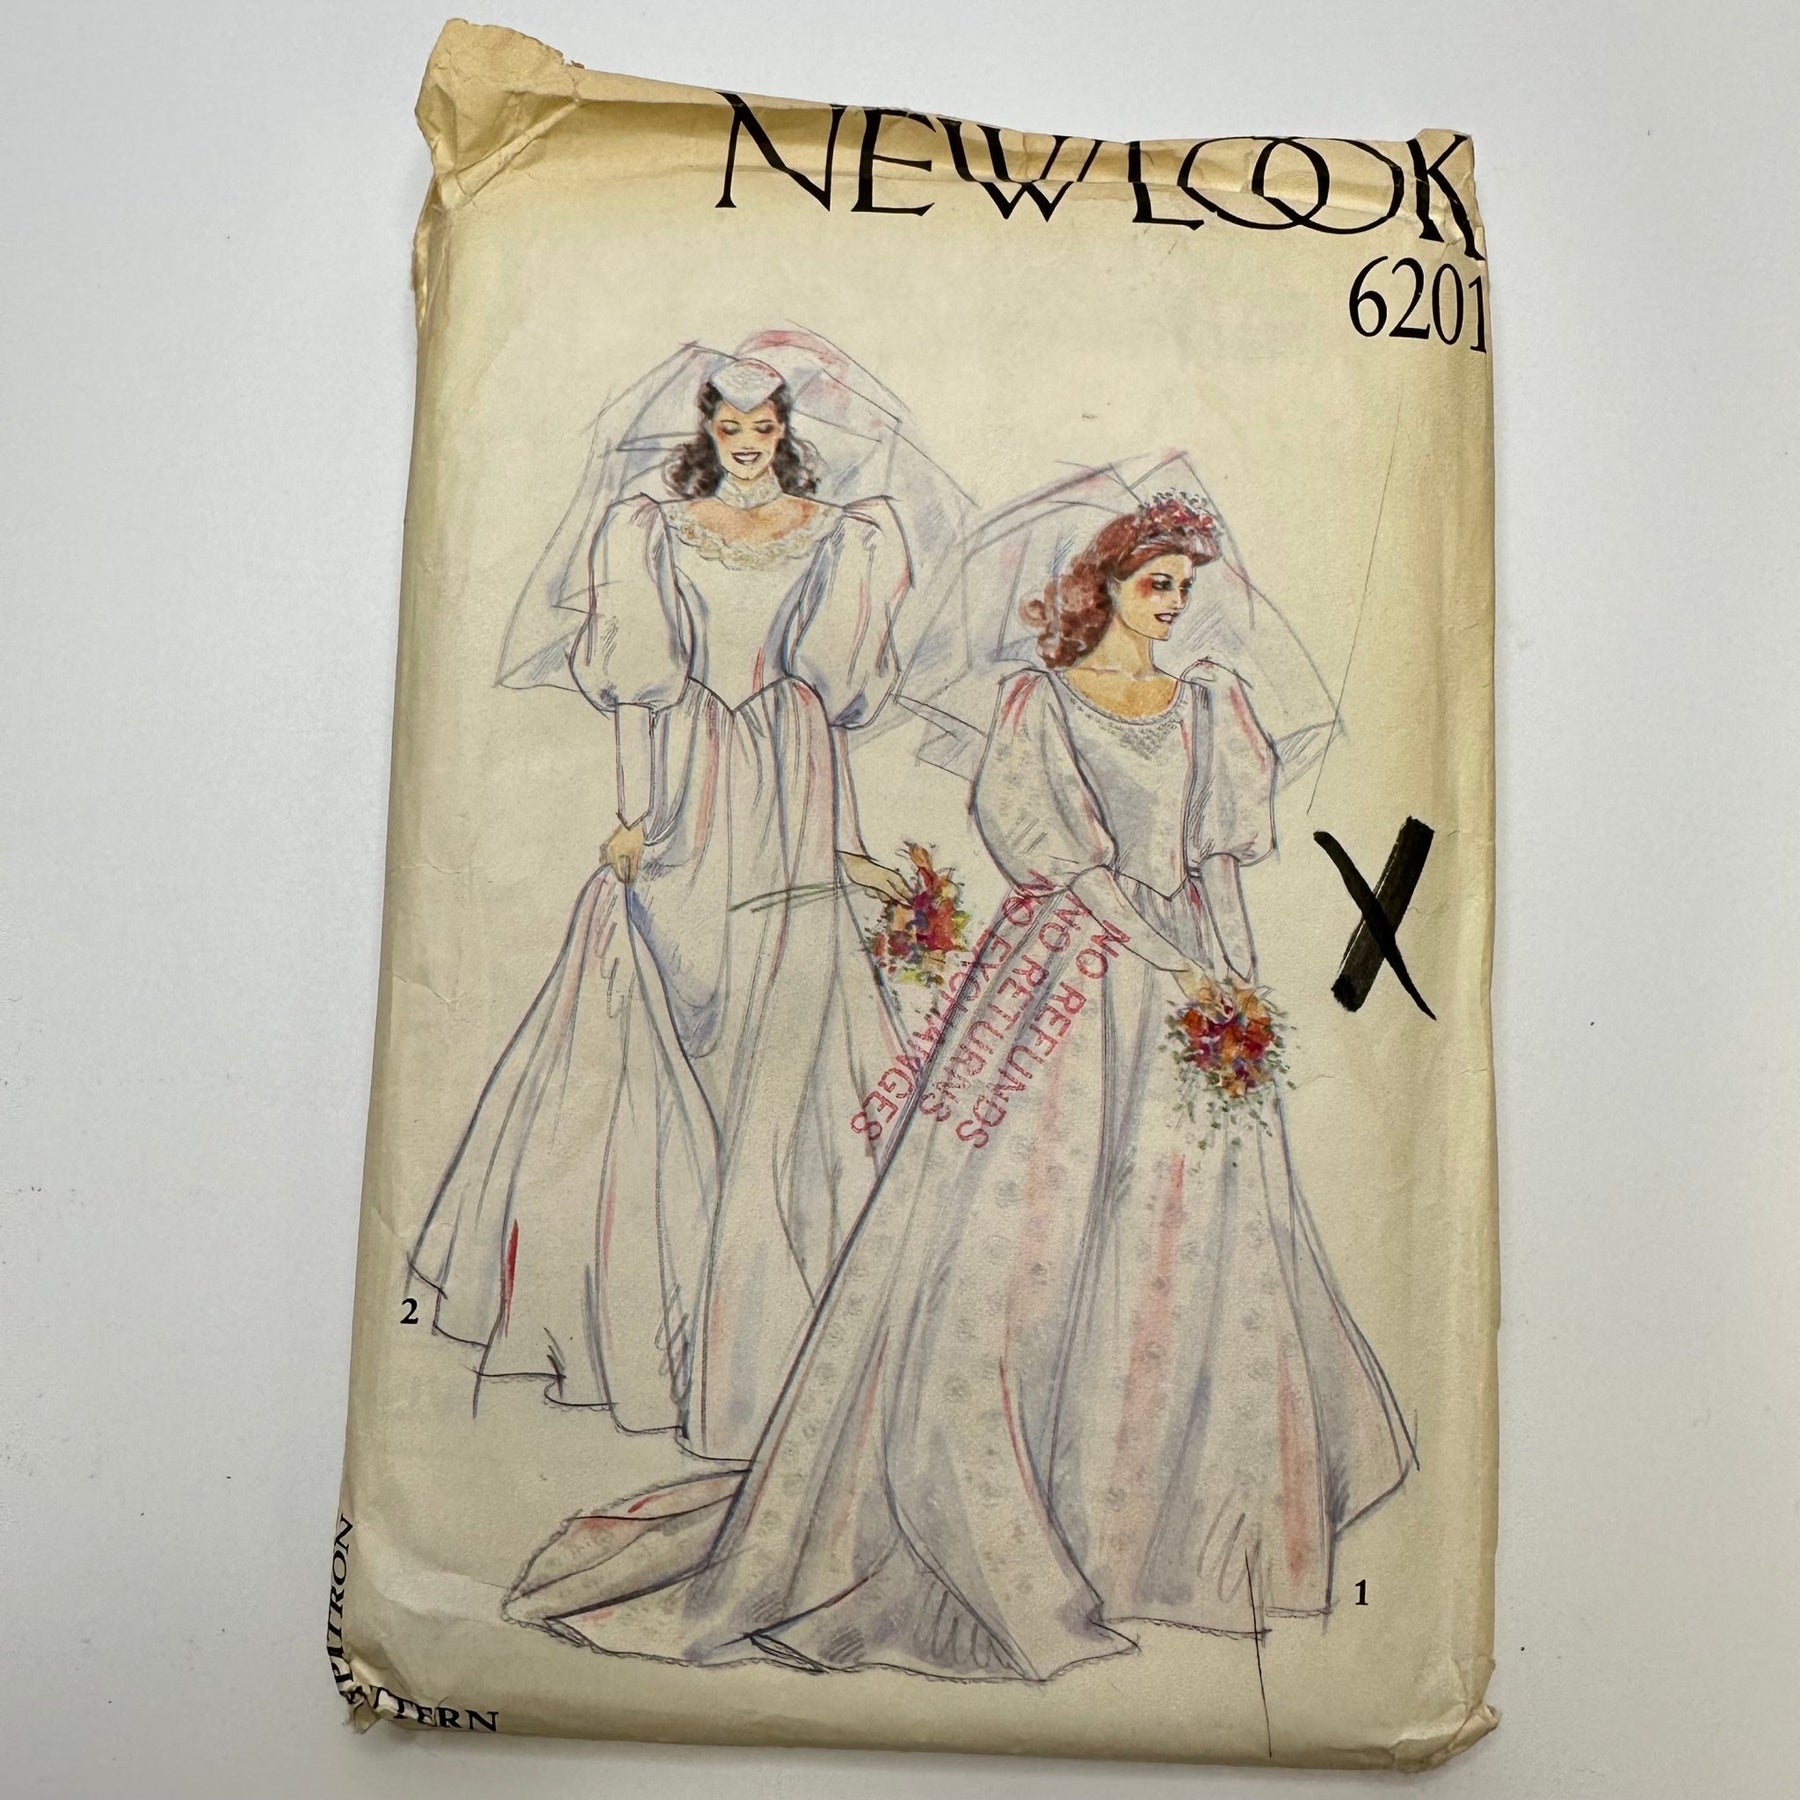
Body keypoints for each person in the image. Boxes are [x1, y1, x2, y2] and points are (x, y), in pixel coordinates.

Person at [502, 493, 1415, 1680]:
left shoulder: (1213, 707)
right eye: (1156, 582)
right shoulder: (1040, 702)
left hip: (1186, 988)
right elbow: (1069, 868)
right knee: (1019, 1246)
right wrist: (1172, 958)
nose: (1173, 604)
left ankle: (1158, 1541)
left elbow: (1218, 869)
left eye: (1186, 587)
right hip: (1071, 981)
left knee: (1196, 1240)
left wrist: (1227, 984)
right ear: (1103, 586)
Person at [410, 356, 915, 1464]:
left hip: (790, 778)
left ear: (785, 430)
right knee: (664, 1012)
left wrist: (843, 844)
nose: (748, 441)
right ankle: (664, 1319)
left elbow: (834, 704)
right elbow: (636, 687)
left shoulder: (845, 536)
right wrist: (635, 814)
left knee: (788, 1031)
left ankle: (770, 1333)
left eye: (764, 424)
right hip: (690, 777)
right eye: (731, 426)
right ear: (707, 432)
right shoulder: (648, 530)